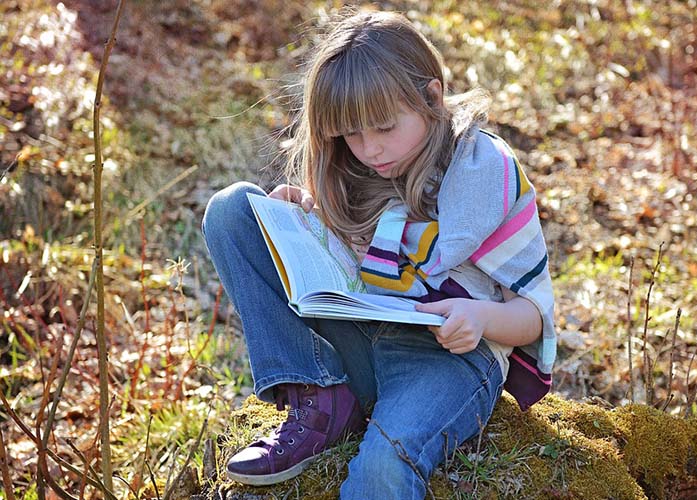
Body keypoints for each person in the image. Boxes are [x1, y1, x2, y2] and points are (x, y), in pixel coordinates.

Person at [202, 10, 556, 499]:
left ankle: (371, 422)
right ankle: (320, 393)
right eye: (350, 134)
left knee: (384, 470)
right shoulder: (355, 171)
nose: (369, 149)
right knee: (232, 210)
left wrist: (479, 316)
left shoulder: (483, 176)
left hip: (447, 361)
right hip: (359, 342)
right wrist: (304, 224)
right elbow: (349, 272)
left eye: (385, 128)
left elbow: (534, 316)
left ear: (431, 97)